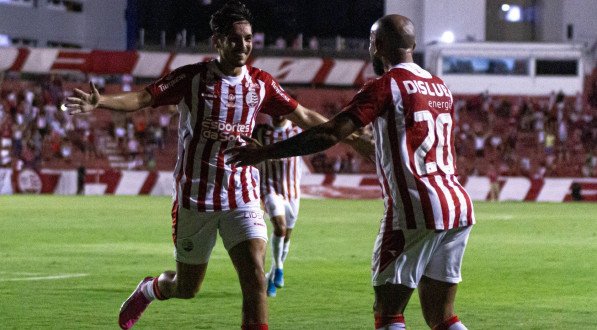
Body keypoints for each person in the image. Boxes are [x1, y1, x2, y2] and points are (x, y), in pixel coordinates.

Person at [65, 1, 368, 329]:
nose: (243, 46)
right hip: (197, 197)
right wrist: (102, 101)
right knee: (186, 287)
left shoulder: (261, 83)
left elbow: (305, 116)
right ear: (218, 41)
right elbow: (142, 98)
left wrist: (351, 138)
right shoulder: (192, 78)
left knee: (254, 276)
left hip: (243, 193)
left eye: (249, 39)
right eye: (235, 39)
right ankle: (150, 289)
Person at [226, 14, 475, 330]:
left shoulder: (385, 86)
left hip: (415, 208)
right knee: (442, 317)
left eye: (372, 42)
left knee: (388, 314)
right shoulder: (441, 88)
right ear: (412, 45)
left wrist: (264, 152)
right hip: (457, 206)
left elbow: (330, 133)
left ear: (377, 45)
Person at [253, 116, 302, 297]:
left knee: (286, 237)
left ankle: (272, 277)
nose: (278, 114)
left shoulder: (297, 131)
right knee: (279, 228)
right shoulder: (262, 132)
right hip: (270, 188)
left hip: (292, 192)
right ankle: (279, 269)